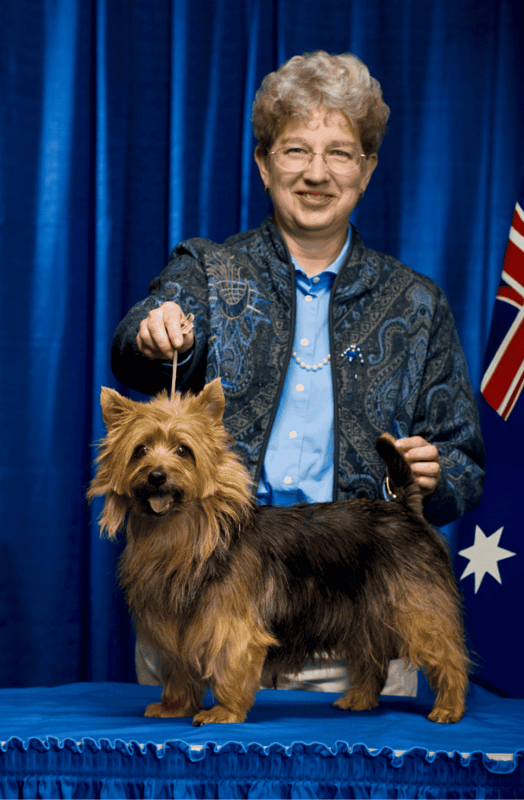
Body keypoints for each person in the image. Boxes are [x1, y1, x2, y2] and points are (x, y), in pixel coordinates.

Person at [111, 50, 485, 696]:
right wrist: (154, 327)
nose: (316, 173)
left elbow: (464, 468)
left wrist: (436, 471)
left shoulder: (416, 304)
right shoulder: (206, 270)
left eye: (339, 152)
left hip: (356, 612)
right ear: (263, 164)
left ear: (366, 170)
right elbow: (135, 338)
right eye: (294, 151)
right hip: (205, 610)